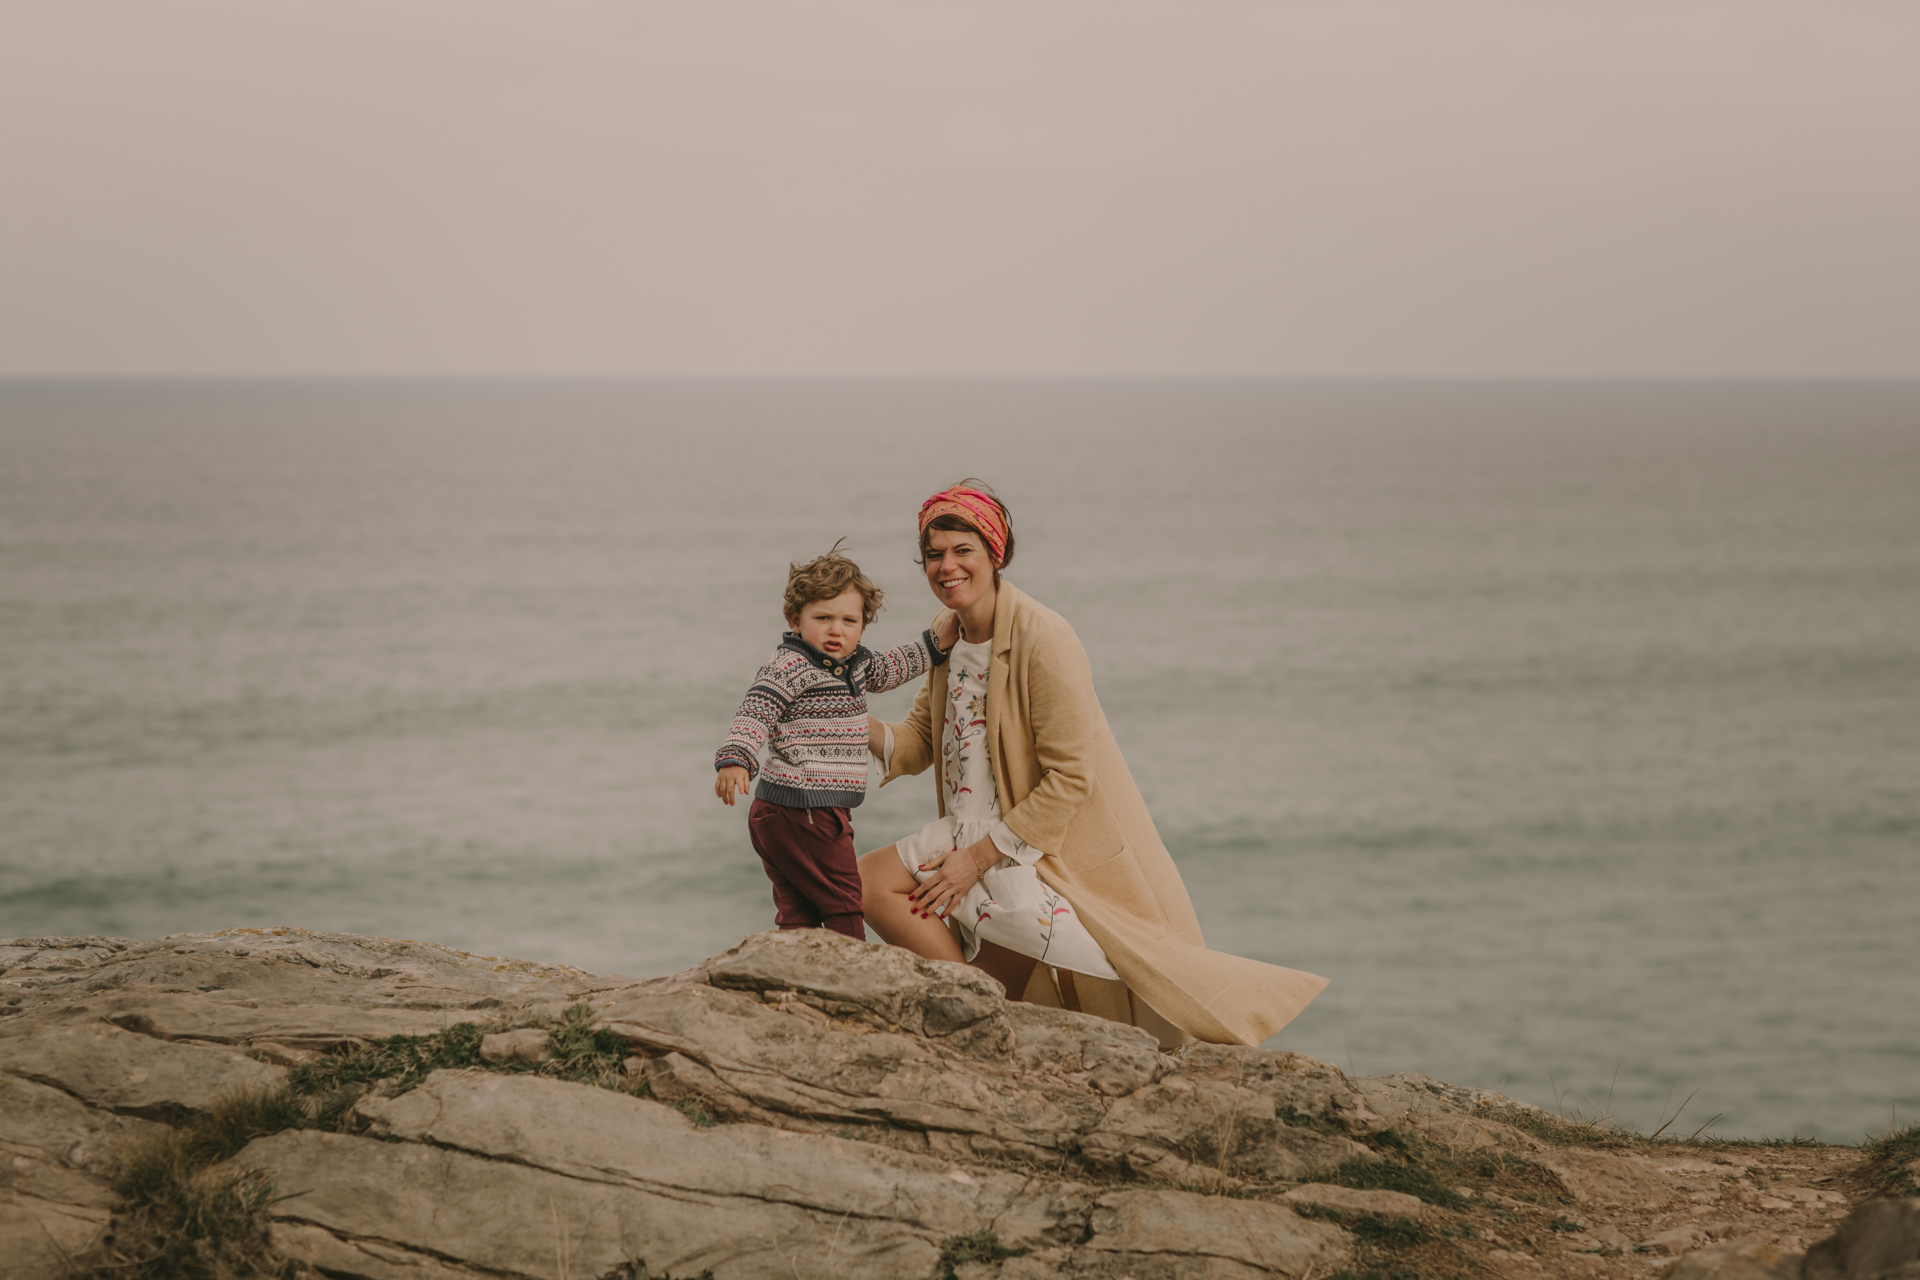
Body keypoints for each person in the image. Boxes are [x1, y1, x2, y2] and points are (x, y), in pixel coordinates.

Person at [860, 483, 1327, 1047]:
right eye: (934, 554)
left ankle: (965, 1026)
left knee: (982, 986)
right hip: (962, 833)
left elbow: (1071, 778)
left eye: (963, 550)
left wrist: (974, 863)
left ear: (995, 553)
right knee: (880, 895)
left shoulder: (1043, 637)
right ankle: (968, 1025)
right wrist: (837, 716)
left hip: (1024, 852)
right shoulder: (946, 636)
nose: (947, 566)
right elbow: (917, 742)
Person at [715, 542, 957, 940]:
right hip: (805, 809)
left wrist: (935, 643)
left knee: (799, 913)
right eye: (822, 617)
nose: (835, 630)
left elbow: (891, 667)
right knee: (845, 902)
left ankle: (796, 981)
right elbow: (755, 709)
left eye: (849, 621)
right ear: (795, 619)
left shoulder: (856, 664)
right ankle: (856, 983)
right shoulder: (790, 665)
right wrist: (736, 757)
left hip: (783, 812)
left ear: (862, 626)